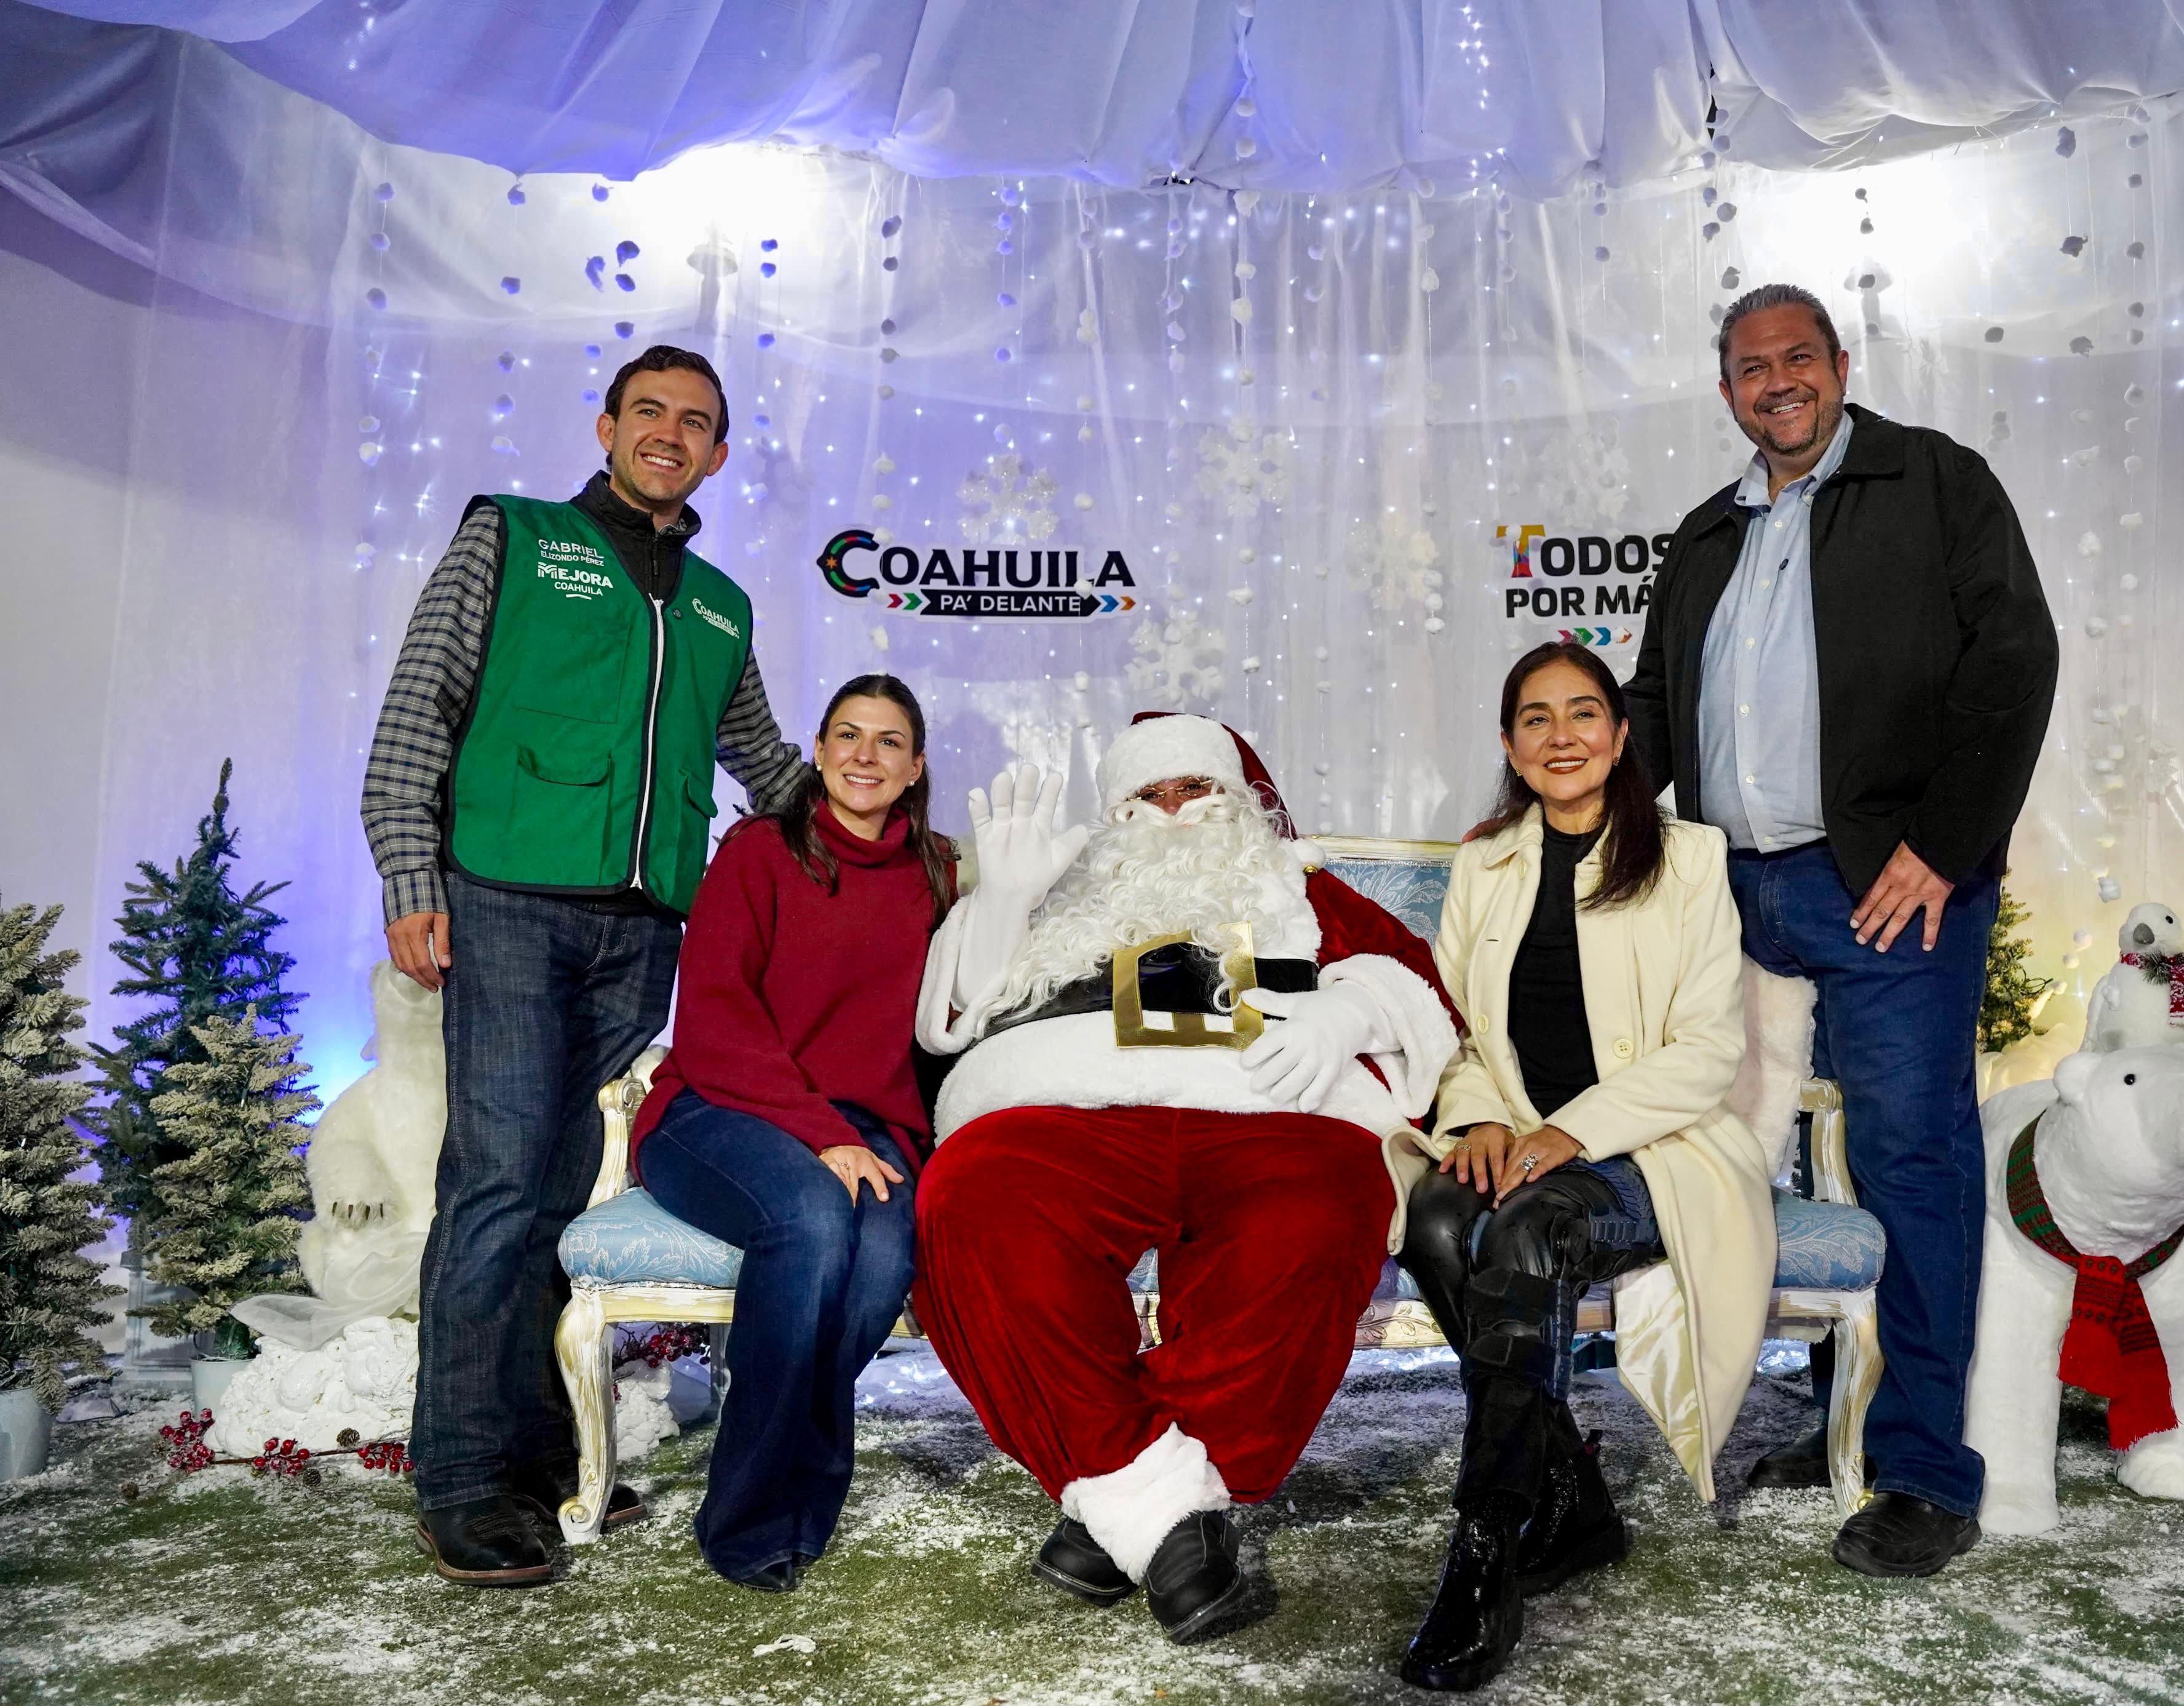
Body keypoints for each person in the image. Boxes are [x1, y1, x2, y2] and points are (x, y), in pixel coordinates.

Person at [1624, 284, 2059, 1578]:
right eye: (1750, 368)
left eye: (1796, 358)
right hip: (1729, 890)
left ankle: (1927, 1472)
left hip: (1886, 882)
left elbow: (2012, 658)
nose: (1777, 383)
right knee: (1703, 1139)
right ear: (1727, 393)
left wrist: (1943, 842)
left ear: (1839, 364)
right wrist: (1548, 825)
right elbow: (1650, 705)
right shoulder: (1706, 534)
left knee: (1908, 1157)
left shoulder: (1934, 482)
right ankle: (1820, 1419)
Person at [359, 346, 803, 1586]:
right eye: (649, 411)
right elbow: (416, 712)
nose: (669, 432)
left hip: (644, 925)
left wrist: (870, 824)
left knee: (569, 1195)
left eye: (696, 422)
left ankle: (546, 1460)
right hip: (503, 900)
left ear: (719, 454)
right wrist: (409, 875)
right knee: (496, 1184)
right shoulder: (513, 538)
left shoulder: (719, 605)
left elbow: (762, 761)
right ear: (608, 424)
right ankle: (458, 1477)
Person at [908, 715, 1459, 1645]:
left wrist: (1348, 1012)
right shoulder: (1067, 887)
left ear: (1236, 800)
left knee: (1329, 1203)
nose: (1172, 814)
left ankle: (1114, 1507)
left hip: (1266, 1109)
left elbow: (1419, 980)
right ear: (1117, 814)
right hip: (1069, 1109)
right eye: (1147, 799)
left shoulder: (1299, 884)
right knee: (968, 1200)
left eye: (1194, 791)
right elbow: (955, 1021)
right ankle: (1169, 1518)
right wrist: (999, 906)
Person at [1396, 642, 1776, 1692]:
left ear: (1616, 735)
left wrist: (1572, 1131)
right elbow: (1458, 1027)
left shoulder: (1690, 859)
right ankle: (1575, 1494)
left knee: (1519, 1232)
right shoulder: (1485, 862)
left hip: (1657, 1152)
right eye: (1535, 719)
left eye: (1582, 714)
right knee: (1433, 1214)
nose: (1560, 736)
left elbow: (1708, 1051)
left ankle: (1489, 1548)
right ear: (1512, 748)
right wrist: (1472, 1117)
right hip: (1515, 1138)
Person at [627, 676, 954, 1592]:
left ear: (915, 767)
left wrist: (896, 1139)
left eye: (889, 741)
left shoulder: (936, 875)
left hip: (857, 1123)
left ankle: (789, 1465)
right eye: (847, 735)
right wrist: (820, 1133)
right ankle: (748, 1518)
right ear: (816, 750)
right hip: (717, 1104)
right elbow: (718, 1023)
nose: (864, 755)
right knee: (813, 1221)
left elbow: (940, 1030)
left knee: (885, 1255)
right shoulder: (761, 851)